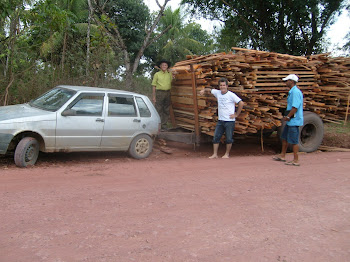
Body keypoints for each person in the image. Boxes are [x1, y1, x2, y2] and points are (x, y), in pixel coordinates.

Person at [199, 77, 244, 159]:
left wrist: (236, 114)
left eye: (224, 85)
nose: (222, 87)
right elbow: (209, 89)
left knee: (229, 138)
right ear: (219, 86)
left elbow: (241, 103)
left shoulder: (231, 95)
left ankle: (227, 154)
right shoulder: (218, 93)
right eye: (221, 85)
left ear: (227, 86)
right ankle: (215, 154)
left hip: (229, 121)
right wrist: (203, 90)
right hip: (221, 120)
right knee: (216, 137)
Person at [273, 74, 304, 166]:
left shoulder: (295, 92)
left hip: (294, 120)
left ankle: (296, 160)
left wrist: (288, 117)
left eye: (287, 81)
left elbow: (295, 107)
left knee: (294, 141)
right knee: (284, 138)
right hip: (291, 120)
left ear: (292, 81)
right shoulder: (292, 92)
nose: (286, 82)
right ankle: (282, 155)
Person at [152, 60, 173, 130]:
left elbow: (173, 80)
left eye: (165, 65)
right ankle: (157, 125)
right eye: (163, 65)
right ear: (160, 66)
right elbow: (154, 85)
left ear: (167, 67)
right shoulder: (157, 74)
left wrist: (174, 75)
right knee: (159, 109)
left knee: (166, 109)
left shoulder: (169, 74)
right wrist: (154, 96)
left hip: (167, 93)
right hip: (160, 93)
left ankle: (164, 125)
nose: (164, 66)